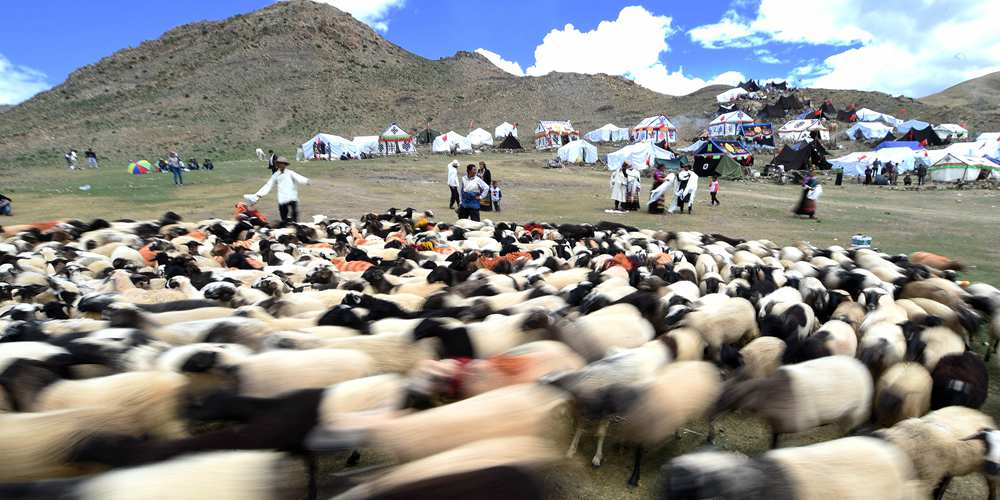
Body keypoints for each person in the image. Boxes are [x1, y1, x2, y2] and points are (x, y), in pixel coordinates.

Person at [248, 156, 309, 223]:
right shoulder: (275, 175)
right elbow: (268, 185)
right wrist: (258, 195)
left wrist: (306, 181)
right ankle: (285, 226)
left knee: (294, 216)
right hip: (282, 198)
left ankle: (295, 227)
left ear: (285, 164)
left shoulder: (290, 173)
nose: (280, 165)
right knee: (284, 217)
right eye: (278, 163)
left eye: (281, 163)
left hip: (292, 197)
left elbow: (299, 178)